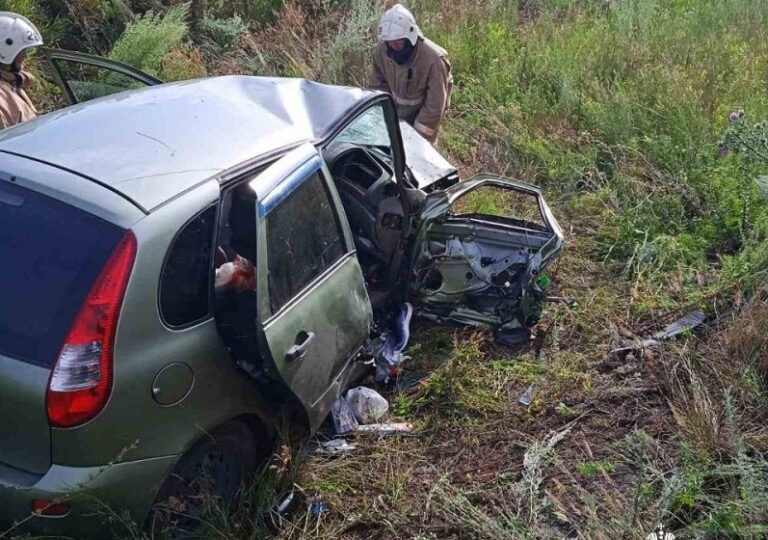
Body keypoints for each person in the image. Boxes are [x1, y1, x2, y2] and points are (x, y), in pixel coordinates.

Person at [370, 3, 452, 145]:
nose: (394, 47)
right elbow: (377, 86)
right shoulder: (382, 52)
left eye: (399, 42)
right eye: (390, 43)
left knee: (420, 160)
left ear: (411, 36)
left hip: (422, 119)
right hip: (395, 115)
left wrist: (415, 140)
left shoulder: (434, 61)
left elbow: (434, 107)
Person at [0, 12, 43, 130]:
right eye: (22, 52)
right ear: (5, 51)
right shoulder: (4, 91)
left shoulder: (11, 82)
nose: (25, 57)